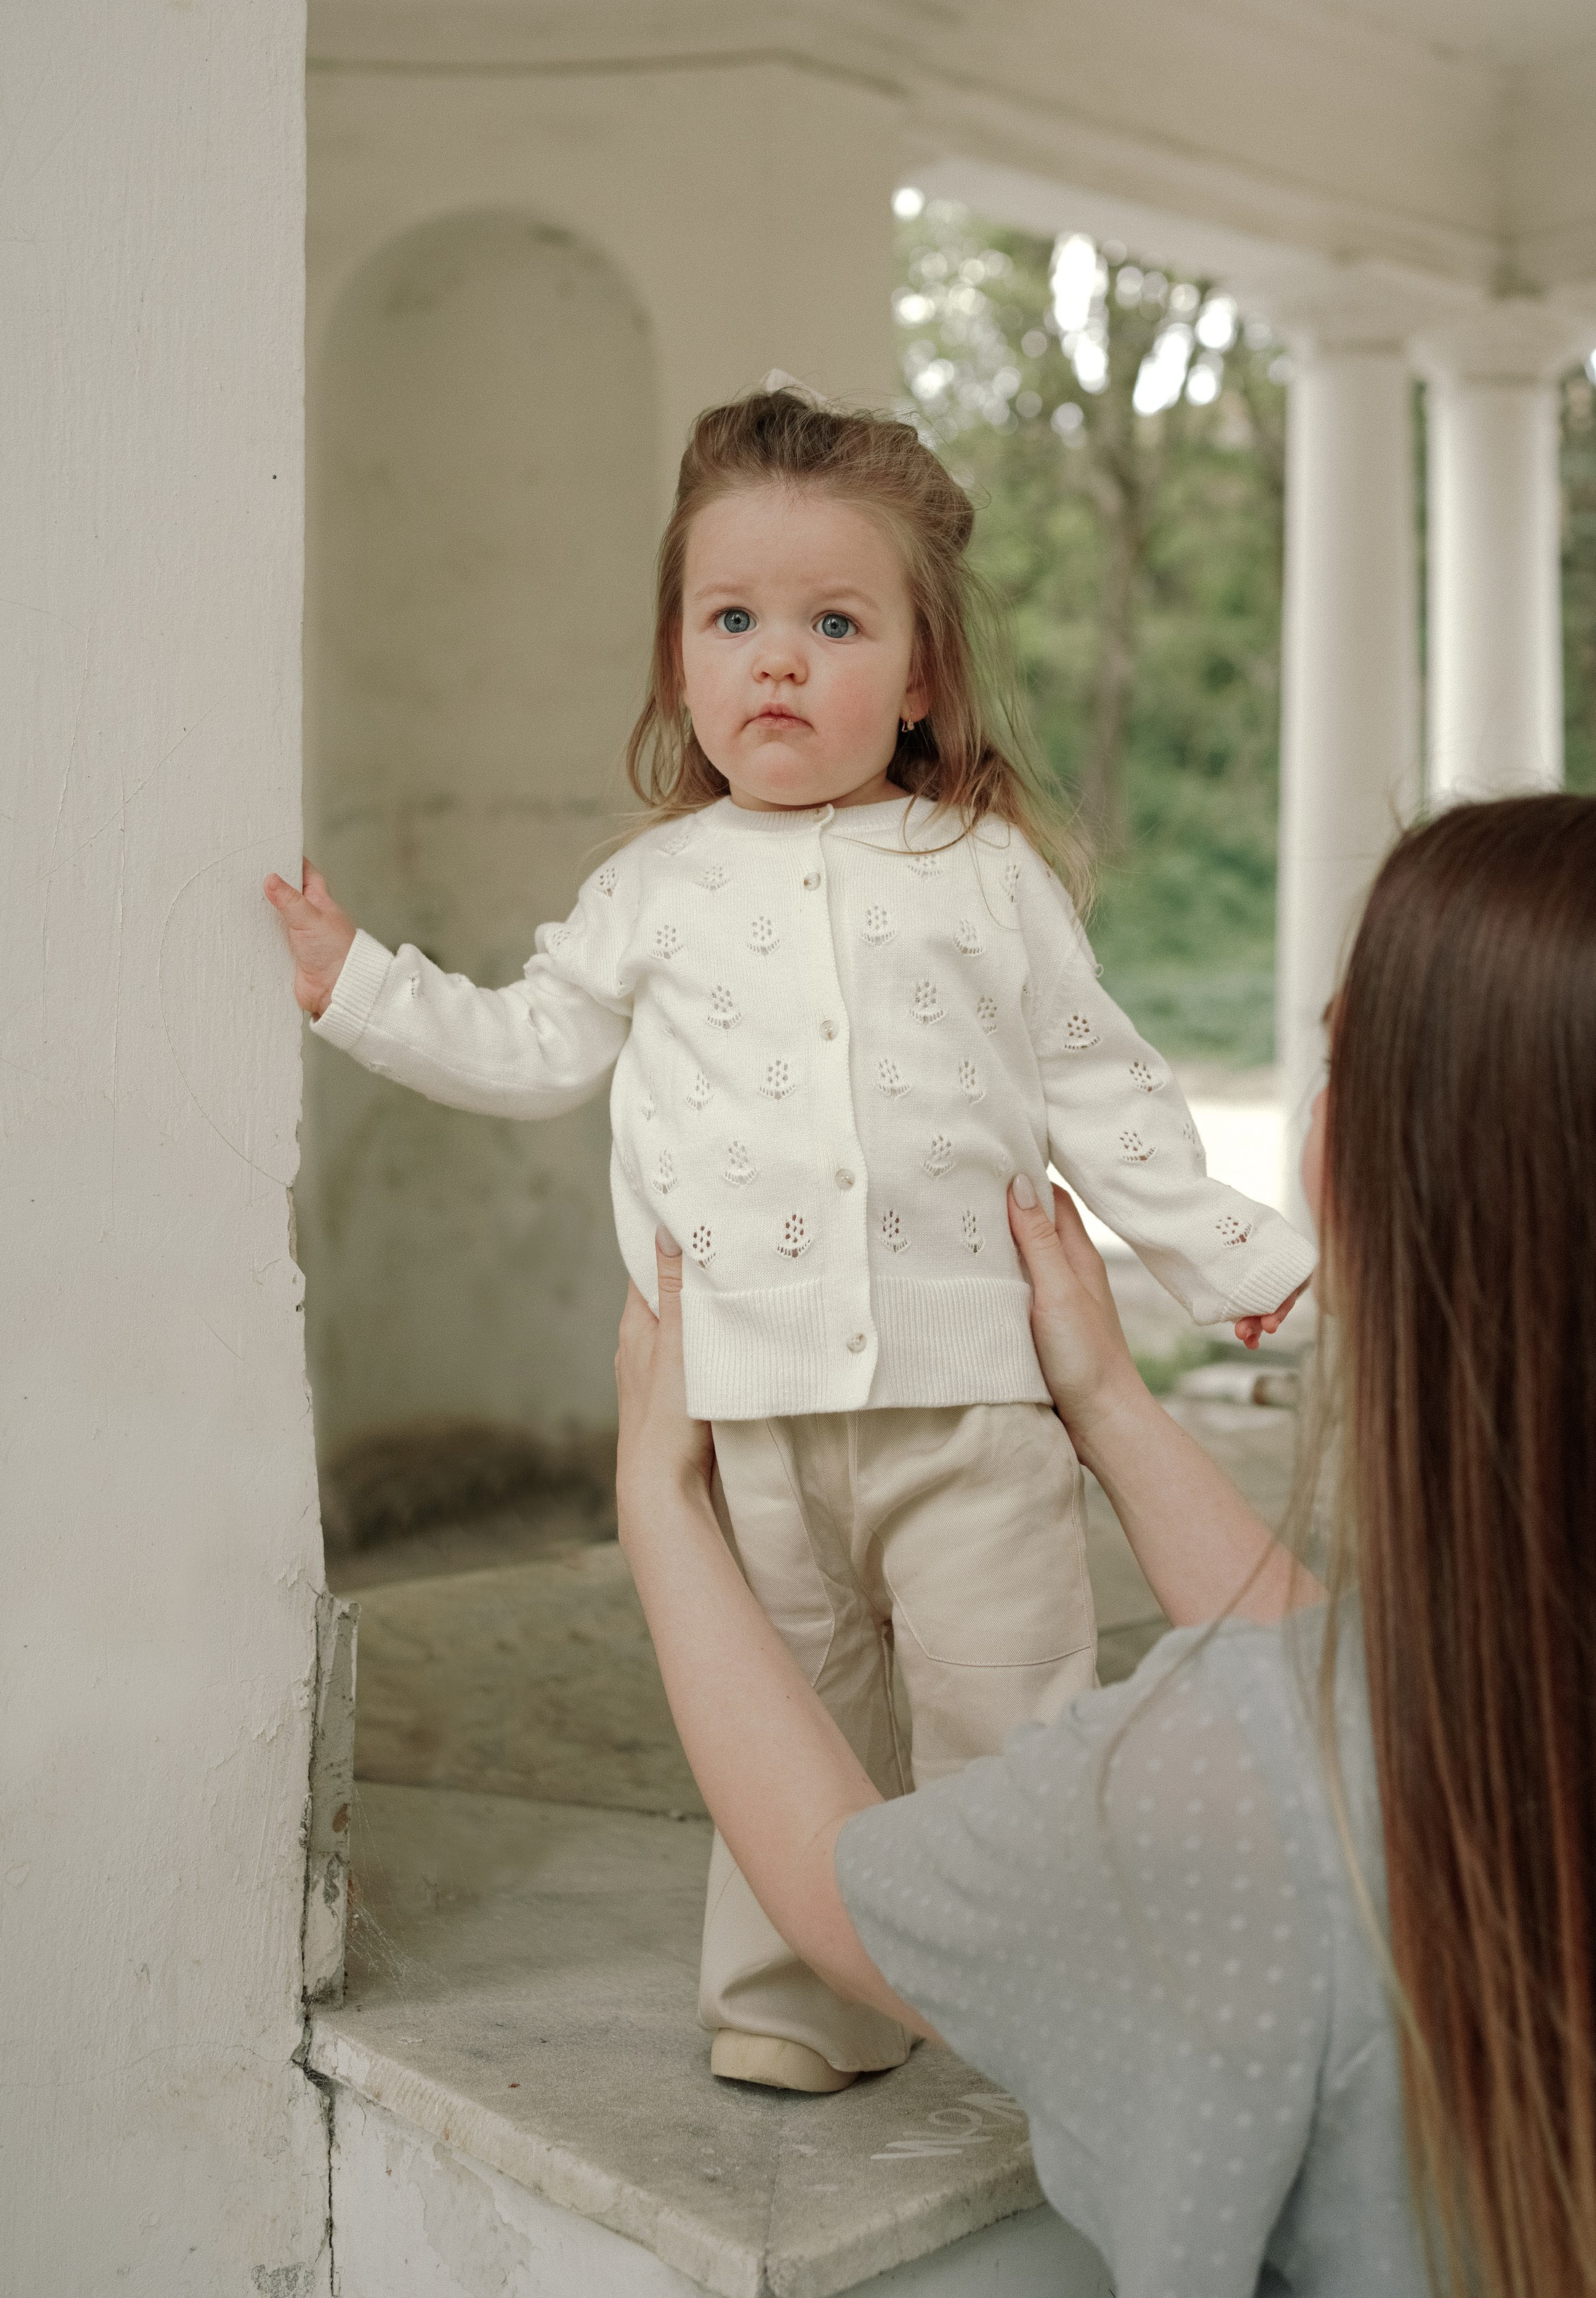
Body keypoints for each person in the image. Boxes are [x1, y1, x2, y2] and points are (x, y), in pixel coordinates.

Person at [613, 794, 1596, 2297]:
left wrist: (661, 1501)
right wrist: (1108, 1405)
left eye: (1337, 1058)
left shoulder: (1212, 1784)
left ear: (1363, 1181)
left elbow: (844, 1897)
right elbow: (1365, 1709)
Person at [265, 381, 1312, 2095]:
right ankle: (800, 1997)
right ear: (677, 661)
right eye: (731, 619)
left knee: (1009, 1705)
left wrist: (1228, 1259)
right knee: (785, 1706)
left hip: (968, 1398)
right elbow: (533, 1050)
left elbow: (1096, 1085)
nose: (777, 659)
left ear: (916, 677)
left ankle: (1043, 1998)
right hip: (740, 1399)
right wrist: (355, 986)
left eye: (832, 624)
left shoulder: (980, 869)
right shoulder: (654, 889)